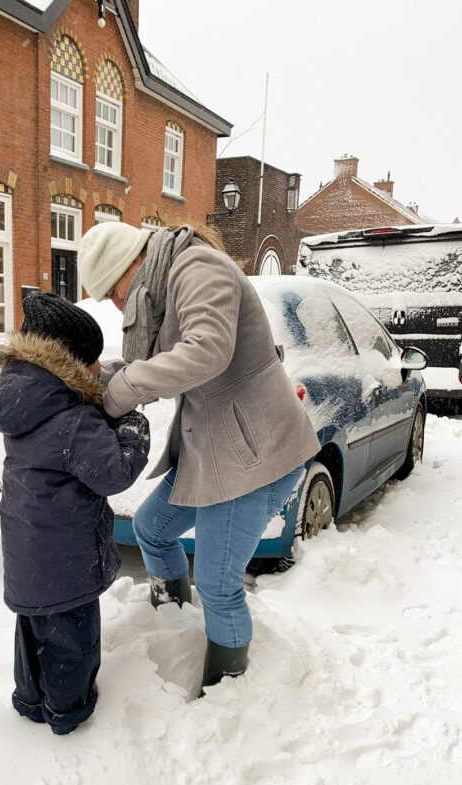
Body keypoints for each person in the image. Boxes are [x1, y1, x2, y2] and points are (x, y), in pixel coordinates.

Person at [78, 222, 320, 693]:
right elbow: (164, 358)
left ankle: (226, 693)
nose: (114, 303)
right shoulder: (167, 283)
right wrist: (103, 376)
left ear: (131, 266)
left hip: (251, 457)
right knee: (151, 528)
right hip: (211, 451)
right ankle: (171, 626)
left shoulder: (197, 268)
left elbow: (205, 351)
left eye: (111, 291)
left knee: (217, 583)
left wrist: (120, 392)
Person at [0, 293, 150, 734]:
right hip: (67, 558)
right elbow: (114, 473)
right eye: (92, 361)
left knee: (34, 627)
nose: (98, 368)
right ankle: (68, 712)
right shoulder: (74, 419)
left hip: (24, 547)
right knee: (71, 640)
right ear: (69, 363)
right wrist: (132, 422)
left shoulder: (22, 400)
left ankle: (30, 700)